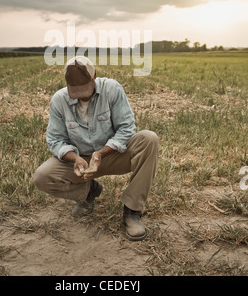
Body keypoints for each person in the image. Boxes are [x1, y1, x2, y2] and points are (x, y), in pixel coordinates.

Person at [33, 56, 160, 241]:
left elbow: (126, 128)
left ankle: (132, 211)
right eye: (75, 91)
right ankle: (89, 191)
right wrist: (75, 159)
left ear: (95, 77)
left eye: (85, 88)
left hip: (113, 153)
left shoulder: (112, 89)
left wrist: (101, 153)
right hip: (81, 162)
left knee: (149, 139)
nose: (81, 95)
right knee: (42, 177)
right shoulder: (59, 100)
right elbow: (55, 140)